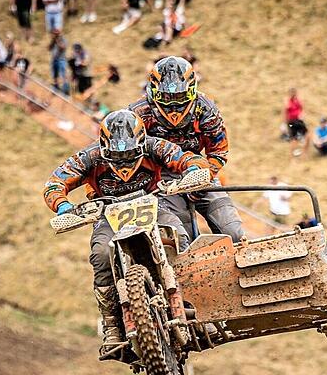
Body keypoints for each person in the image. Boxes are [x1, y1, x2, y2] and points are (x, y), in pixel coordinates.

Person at [42, 110, 210, 357]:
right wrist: (64, 206)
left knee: (178, 234)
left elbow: (188, 159)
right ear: (104, 146)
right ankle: (111, 324)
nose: (123, 163)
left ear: (141, 142)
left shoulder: (155, 146)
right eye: (116, 157)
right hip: (107, 214)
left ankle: (192, 300)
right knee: (100, 254)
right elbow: (54, 183)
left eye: (130, 156)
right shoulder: (89, 157)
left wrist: (193, 173)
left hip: (153, 205)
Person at [128, 56, 244, 242]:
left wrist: (205, 175)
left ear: (191, 90)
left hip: (200, 169)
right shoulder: (137, 114)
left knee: (233, 229)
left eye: (180, 97)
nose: (174, 107)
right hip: (161, 178)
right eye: (166, 98)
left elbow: (219, 151)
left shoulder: (206, 108)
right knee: (182, 239)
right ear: (153, 92)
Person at [283, 88, 309, 157]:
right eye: (292, 94)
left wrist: (302, 114)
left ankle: (304, 152)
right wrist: (285, 124)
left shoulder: (297, 100)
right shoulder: (287, 101)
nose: (293, 95)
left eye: (294, 93)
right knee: (294, 138)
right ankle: (293, 154)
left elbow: (302, 108)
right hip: (291, 123)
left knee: (307, 135)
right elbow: (285, 112)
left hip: (299, 121)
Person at [48, 28, 70, 94]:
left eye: (53, 34)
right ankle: (56, 87)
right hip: (54, 60)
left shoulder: (63, 39)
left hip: (61, 60)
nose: (52, 35)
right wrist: (53, 41)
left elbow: (62, 48)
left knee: (63, 75)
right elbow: (49, 48)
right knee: (55, 75)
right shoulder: (53, 40)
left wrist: (57, 40)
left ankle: (66, 90)